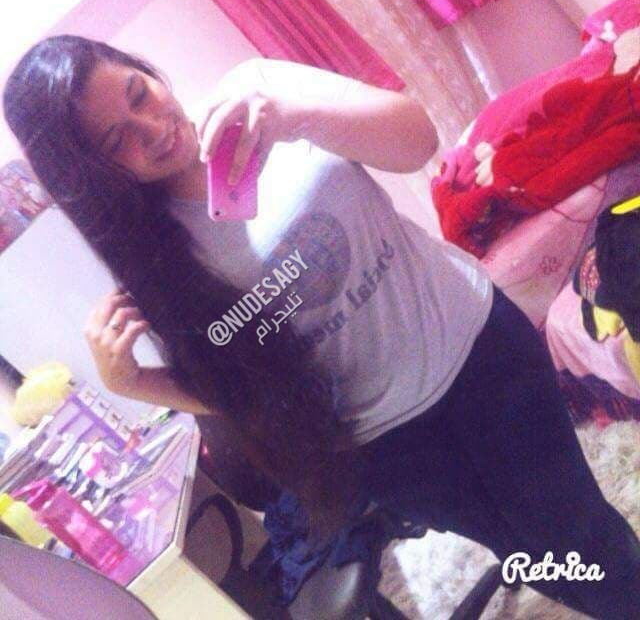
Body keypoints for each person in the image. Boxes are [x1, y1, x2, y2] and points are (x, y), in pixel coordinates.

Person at [3, 35, 639, 619]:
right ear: (95, 173)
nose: (152, 128)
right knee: (527, 548)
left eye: (139, 94)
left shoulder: (257, 89)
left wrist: (294, 117)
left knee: (577, 529)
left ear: (147, 71)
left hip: (479, 351)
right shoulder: (154, 256)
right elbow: (240, 390)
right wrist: (133, 382)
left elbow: (416, 139)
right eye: (116, 141)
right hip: (389, 446)